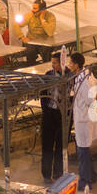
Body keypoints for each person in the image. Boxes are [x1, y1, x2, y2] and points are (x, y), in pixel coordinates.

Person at [68, 52, 97, 191]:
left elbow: (89, 99)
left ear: (76, 64)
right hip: (85, 116)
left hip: (84, 118)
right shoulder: (87, 74)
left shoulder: (83, 79)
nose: (69, 65)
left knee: (83, 150)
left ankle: (85, 181)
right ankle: (92, 175)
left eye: (70, 63)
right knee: (84, 148)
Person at [38, 52, 65, 181]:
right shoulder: (48, 75)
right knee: (47, 145)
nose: (53, 65)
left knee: (60, 145)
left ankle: (58, 173)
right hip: (49, 113)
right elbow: (42, 93)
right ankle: (46, 173)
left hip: (61, 114)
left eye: (55, 62)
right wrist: (45, 110)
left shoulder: (68, 75)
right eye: (52, 63)